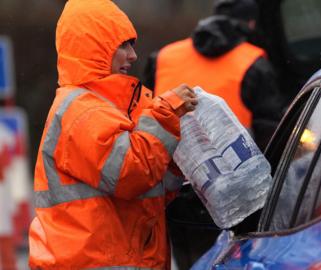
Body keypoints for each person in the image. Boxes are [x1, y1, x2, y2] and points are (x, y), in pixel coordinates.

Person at [28, 0, 197, 269]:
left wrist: (174, 161)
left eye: (132, 46)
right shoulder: (81, 111)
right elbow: (131, 173)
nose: (133, 56)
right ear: (94, 48)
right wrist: (165, 117)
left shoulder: (105, 109)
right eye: (123, 45)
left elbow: (149, 191)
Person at [144, 0, 283, 151]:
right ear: (251, 24)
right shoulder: (253, 61)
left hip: (166, 164)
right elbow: (269, 130)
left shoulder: (163, 57)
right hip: (235, 167)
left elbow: (143, 112)